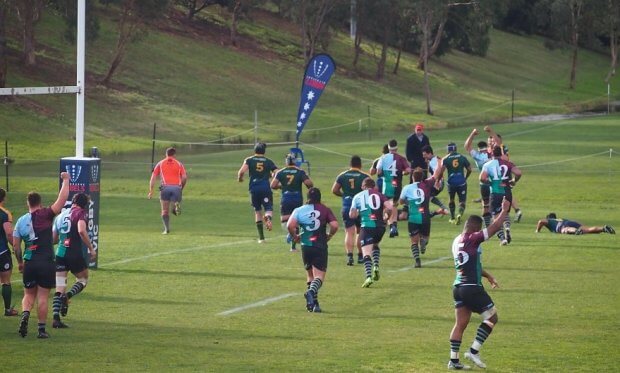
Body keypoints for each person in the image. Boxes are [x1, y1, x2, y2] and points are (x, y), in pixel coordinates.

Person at [448, 198, 511, 370]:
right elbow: (493, 229)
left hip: (458, 287)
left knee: (460, 324)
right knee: (492, 317)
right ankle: (473, 351)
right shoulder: (473, 239)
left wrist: (488, 276)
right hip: (471, 288)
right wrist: (504, 211)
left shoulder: (456, 241)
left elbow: (472, 264)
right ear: (476, 228)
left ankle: (453, 361)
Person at [13, 172, 70, 338]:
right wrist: (66, 181)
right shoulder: (45, 214)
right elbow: (61, 200)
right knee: (43, 297)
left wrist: (20, 262)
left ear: (27, 203)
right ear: (40, 202)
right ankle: (41, 330)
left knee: (28, 294)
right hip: (46, 262)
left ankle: (25, 314)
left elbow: (16, 246)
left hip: (29, 261)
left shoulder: (21, 221)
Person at [287, 188, 338, 313]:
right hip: (319, 245)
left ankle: (313, 304)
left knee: (310, 275)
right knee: (319, 277)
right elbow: (335, 225)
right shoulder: (325, 209)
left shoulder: (299, 210)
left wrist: (295, 237)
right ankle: (310, 292)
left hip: (305, 245)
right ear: (319, 197)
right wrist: (330, 235)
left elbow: (290, 225)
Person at [51, 193, 97, 329]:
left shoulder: (60, 216)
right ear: (84, 204)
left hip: (60, 253)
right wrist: (91, 248)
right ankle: (68, 296)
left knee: (60, 286)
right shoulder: (81, 213)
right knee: (83, 280)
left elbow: (53, 239)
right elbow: (82, 231)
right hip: (74, 254)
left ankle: (55, 319)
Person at [349, 178, 392, 288]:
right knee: (376, 245)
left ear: (363, 186)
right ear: (374, 187)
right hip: (380, 226)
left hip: (367, 226)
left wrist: (358, 212)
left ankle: (368, 276)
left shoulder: (357, 196)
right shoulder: (380, 195)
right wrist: (387, 217)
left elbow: (352, 215)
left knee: (366, 253)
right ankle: (376, 266)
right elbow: (390, 207)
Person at [399, 167, 441, 268]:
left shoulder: (407, 188)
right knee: (426, 237)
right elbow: (435, 175)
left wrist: (408, 202)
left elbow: (401, 201)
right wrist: (440, 163)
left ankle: (417, 261)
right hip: (425, 217)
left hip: (413, 218)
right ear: (422, 177)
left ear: (412, 177)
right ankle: (423, 242)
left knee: (414, 241)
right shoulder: (427, 185)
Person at [480, 146, 522, 245]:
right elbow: (518, 173)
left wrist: (490, 182)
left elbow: (482, 178)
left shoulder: (488, 164)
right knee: (505, 212)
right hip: (507, 192)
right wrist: (513, 181)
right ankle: (507, 227)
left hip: (495, 193)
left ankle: (502, 239)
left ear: (492, 154)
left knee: (495, 217)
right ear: (501, 153)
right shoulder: (508, 163)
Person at [332, 155, 370, 266]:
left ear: (350, 164)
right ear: (360, 165)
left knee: (349, 232)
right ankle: (360, 256)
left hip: (347, 206)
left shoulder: (342, 175)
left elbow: (334, 190)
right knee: (360, 231)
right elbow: (370, 191)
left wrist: (344, 195)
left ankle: (349, 257)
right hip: (360, 207)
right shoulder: (365, 176)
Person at [271, 154, 313, 251]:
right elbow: (309, 184)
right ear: (295, 161)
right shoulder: (300, 172)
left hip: (285, 197)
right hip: (297, 197)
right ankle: (293, 246)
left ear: (286, 162)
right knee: (297, 220)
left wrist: (281, 186)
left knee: (284, 219)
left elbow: (273, 185)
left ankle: (290, 234)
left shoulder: (280, 172)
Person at [238, 142, 278, 243]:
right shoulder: (269, 161)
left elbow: (241, 172)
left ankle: (261, 238)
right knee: (268, 208)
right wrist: (272, 175)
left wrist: (240, 179)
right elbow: (277, 172)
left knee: (257, 211)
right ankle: (268, 217)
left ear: (254, 150)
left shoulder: (249, 160)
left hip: (254, 188)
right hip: (265, 188)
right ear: (264, 151)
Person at [484, 126, 523, 222]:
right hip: (496, 173)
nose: (491, 142)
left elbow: (505, 159)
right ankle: (502, 214)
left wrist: (491, 131)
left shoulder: (501, 148)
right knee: (503, 193)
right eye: (490, 141)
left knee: (503, 193)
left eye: (492, 140)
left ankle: (498, 215)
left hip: (502, 173)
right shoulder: (490, 149)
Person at [148, 147, 187, 234]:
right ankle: (175, 205)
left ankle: (166, 229)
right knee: (175, 207)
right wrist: (181, 188)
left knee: (164, 210)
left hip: (164, 188)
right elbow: (184, 177)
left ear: (166, 154)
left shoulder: (160, 163)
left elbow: (153, 178)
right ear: (175, 155)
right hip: (176, 188)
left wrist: (151, 191)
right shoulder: (179, 164)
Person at [377, 139, 411, 238]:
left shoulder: (383, 158)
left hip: (386, 186)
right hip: (397, 186)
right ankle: (393, 226)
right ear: (397, 147)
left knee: (387, 207)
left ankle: (387, 223)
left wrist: (383, 174)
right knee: (394, 206)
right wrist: (404, 172)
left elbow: (378, 171)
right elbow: (408, 170)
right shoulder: (401, 158)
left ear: (388, 147)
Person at [438, 143, 472, 225]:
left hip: (451, 183)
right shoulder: (462, 157)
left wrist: (438, 180)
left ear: (448, 150)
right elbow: (469, 169)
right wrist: (466, 177)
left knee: (451, 199)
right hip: (461, 182)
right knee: (462, 201)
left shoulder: (445, 159)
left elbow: (441, 171)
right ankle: (459, 214)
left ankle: (452, 217)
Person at [464, 129, 492, 227]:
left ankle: (488, 226)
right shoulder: (492, 153)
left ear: (479, 148)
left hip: (484, 183)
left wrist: (472, 133)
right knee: (497, 204)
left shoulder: (478, 156)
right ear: (487, 146)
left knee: (485, 205)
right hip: (495, 182)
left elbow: (467, 146)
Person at [0, 188, 18, 316]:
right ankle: (7, 310)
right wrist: (15, 245)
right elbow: (9, 233)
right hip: (1, 251)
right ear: (4, 198)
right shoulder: (5, 214)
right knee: (5, 281)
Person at [421, 145, 449, 216]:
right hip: (437, 182)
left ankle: (424, 212)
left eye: (425, 155)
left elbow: (439, 171)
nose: (424, 156)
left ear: (430, 153)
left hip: (437, 183)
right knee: (427, 195)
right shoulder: (435, 159)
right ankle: (443, 209)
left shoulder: (433, 161)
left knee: (424, 194)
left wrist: (437, 182)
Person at [536, 213, 615, 235]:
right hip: (570, 221)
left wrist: (537, 231)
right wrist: (581, 226)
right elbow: (577, 222)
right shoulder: (559, 219)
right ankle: (603, 228)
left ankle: (576, 231)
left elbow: (540, 221)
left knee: (565, 230)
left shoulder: (549, 220)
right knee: (587, 229)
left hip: (563, 226)